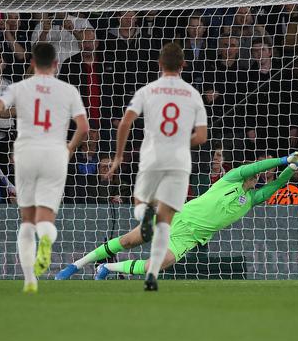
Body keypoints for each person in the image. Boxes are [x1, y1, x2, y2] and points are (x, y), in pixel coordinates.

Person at [55, 140, 298, 280]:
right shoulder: (232, 178)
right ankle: (75, 266)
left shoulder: (250, 199)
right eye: (257, 175)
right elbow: (256, 169)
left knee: (154, 268)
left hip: (189, 238)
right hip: (174, 217)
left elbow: (276, 183)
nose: (259, 178)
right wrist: (288, 157)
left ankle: (108, 270)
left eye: (260, 178)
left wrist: (295, 165)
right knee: (128, 240)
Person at [72, 42, 207, 291]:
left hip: (152, 157)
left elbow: (124, 124)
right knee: (166, 222)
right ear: (183, 65)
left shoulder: (149, 90)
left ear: (159, 64)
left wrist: (120, 156)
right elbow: (201, 137)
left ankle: (144, 215)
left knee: (141, 207)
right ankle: (151, 278)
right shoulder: (193, 94)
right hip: (178, 163)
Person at [0, 42, 90, 294]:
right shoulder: (68, 90)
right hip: (54, 154)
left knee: (27, 220)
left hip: (26, 153)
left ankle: (30, 279)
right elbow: (83, 127)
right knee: (47, 214)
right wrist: (69, 149)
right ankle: (47, 240)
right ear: (55, 64)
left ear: (31, 63)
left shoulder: (20, 87)